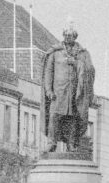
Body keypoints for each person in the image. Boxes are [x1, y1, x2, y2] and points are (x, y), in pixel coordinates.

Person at [41, 24, 95, 152]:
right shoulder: (55, 52)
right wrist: (48, 90)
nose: (66, 37)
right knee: (55, 116)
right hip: (58, 92)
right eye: (65, 35)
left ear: (75, 37)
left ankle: (71, 144)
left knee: (72, 118)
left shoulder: (82, 53)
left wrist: (77, 63)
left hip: (75, 93)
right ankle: (51, 142)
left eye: (69, 35)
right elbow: (48, 72)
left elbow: (90, 70)